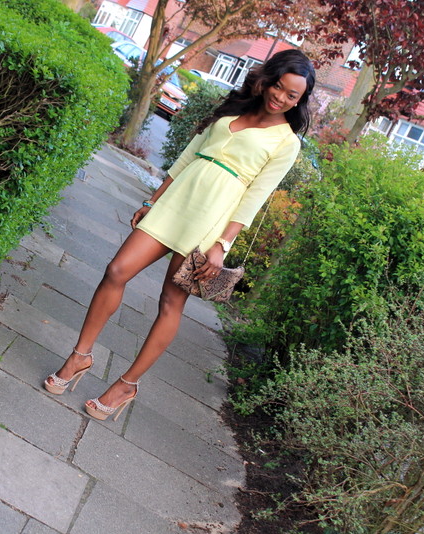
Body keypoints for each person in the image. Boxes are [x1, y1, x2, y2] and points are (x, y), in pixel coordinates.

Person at [44, 49, 316, 421]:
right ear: (268, 79)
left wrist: (222, 244)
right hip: (177, 199)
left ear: (299, 101)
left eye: (291, 95)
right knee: (116, 270)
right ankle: (81, 356)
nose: (280, 97)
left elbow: (256, 196)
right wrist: (153, 200)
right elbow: (188, 155)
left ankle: (126, 385)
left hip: (212, 218)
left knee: (171, 302)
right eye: (279, 87)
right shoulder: (236, 107)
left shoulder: (287, 143)